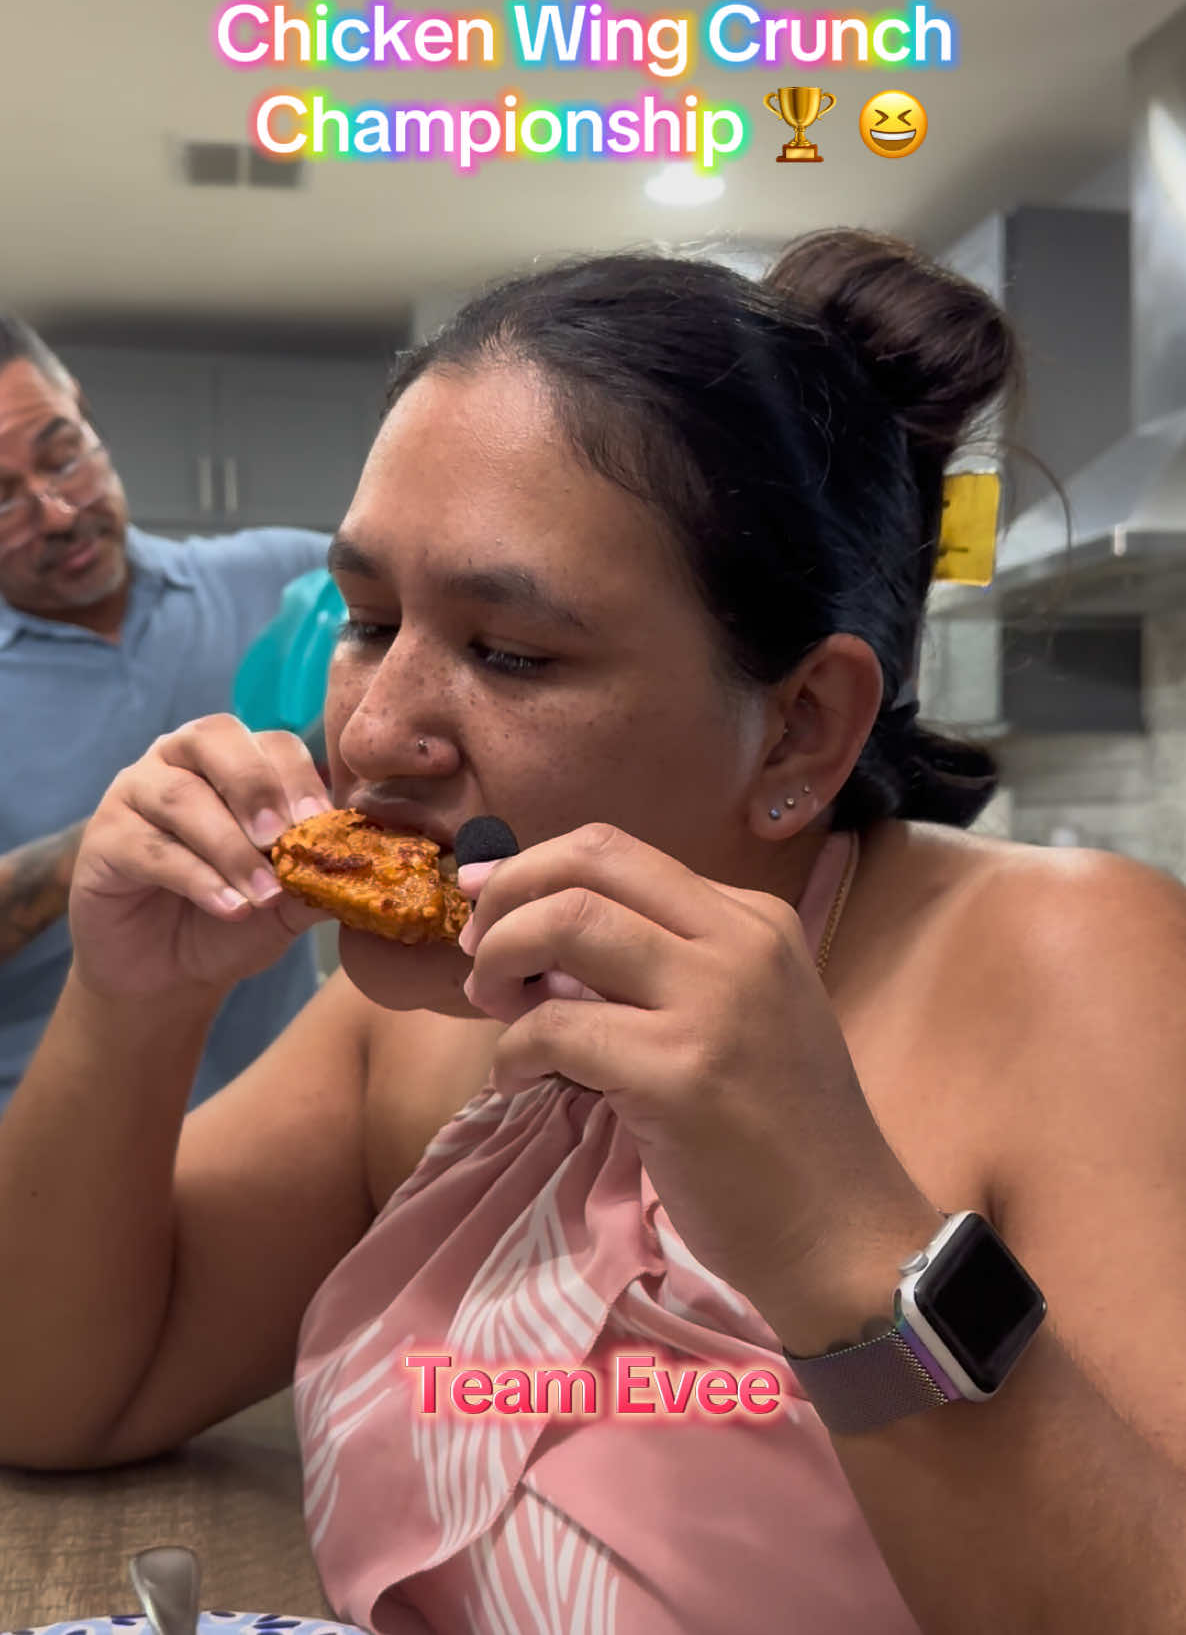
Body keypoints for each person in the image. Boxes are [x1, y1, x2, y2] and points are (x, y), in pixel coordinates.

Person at [1, 232, 1185, 1634]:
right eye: (370, 620)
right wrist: (131, 1006)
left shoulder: (1063, 964)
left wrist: (830, 1238)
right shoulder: (418, 1023)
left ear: (798, 724)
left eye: (510, 654)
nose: (370, 733)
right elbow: (59, 1390)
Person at [0, 319, 333, 1113]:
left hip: (294, 1133)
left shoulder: (287, 582)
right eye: (0, 497)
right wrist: (127, 834)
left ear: (83, 410)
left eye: (63, 454)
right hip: (48, 1157)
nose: (56, 511)